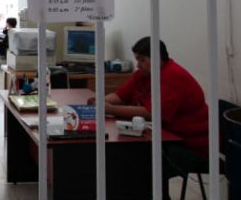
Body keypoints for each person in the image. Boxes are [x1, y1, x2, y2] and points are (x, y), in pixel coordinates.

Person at [88, 36, 209, 183]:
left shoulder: (173, 76)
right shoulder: (143, 74)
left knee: (138, 162)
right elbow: (120, 95)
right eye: (137, 60)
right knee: (127, 155)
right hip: (162, 137)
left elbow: (151, 113)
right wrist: (100, 101)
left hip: (190, 145)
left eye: (142, 60)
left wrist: (110, 109)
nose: (138, 65)